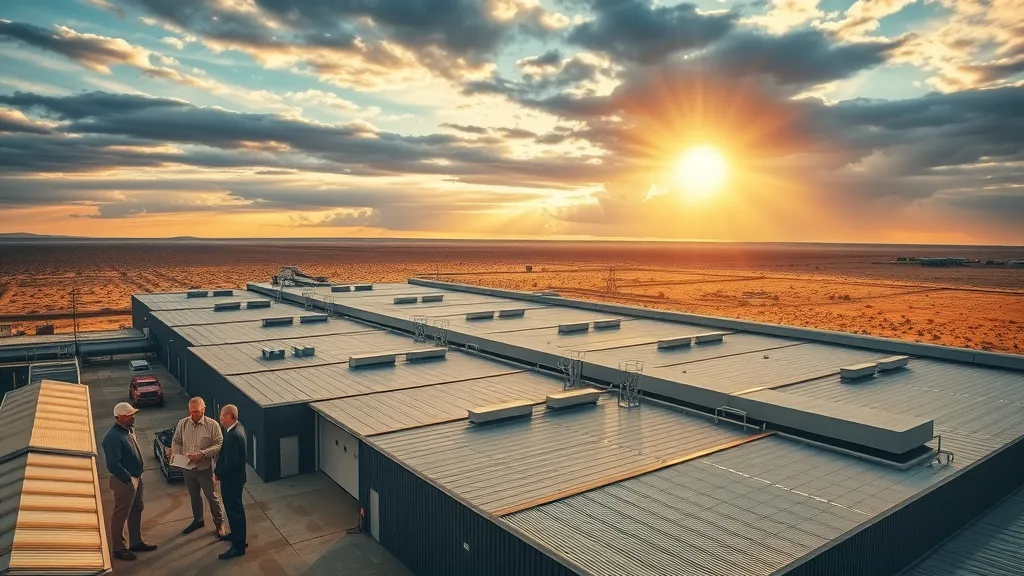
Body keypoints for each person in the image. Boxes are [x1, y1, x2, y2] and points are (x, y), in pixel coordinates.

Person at [101, 402, 158, 561]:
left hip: (136, 478)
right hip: (124, 481)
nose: (133, 417)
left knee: (137, 508)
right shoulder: (113, 437)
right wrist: (129, 479)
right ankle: (118, 548)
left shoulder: (128, 431)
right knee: (121, 513)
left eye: (133, 414)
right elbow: (113, 464)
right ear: (119, 417)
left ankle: (136, 542)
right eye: (129, 415)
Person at [172, 396, 226, 537]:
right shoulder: (183, 424)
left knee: (211, 496)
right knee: (194, 496)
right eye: (191, 412)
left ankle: (219, 523)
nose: (193, 415)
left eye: (196, 411)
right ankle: (198, 519)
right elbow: (176, 441)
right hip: (188, 469)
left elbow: (219, 443)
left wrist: (202, 453)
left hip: (205, 468)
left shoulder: (212, 425)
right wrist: (178, 455)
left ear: (203, 409)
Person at [215, 404, 248, 560]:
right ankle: (237, 535)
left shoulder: (232, 436)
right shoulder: (239, 428)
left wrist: (217, 473)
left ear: (231, 416)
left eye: (223, 416)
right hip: (237, 478)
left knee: (235, 512)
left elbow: (230, 463)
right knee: (235, 510)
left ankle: (238, 547)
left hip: (232, 481)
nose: (221, 418)